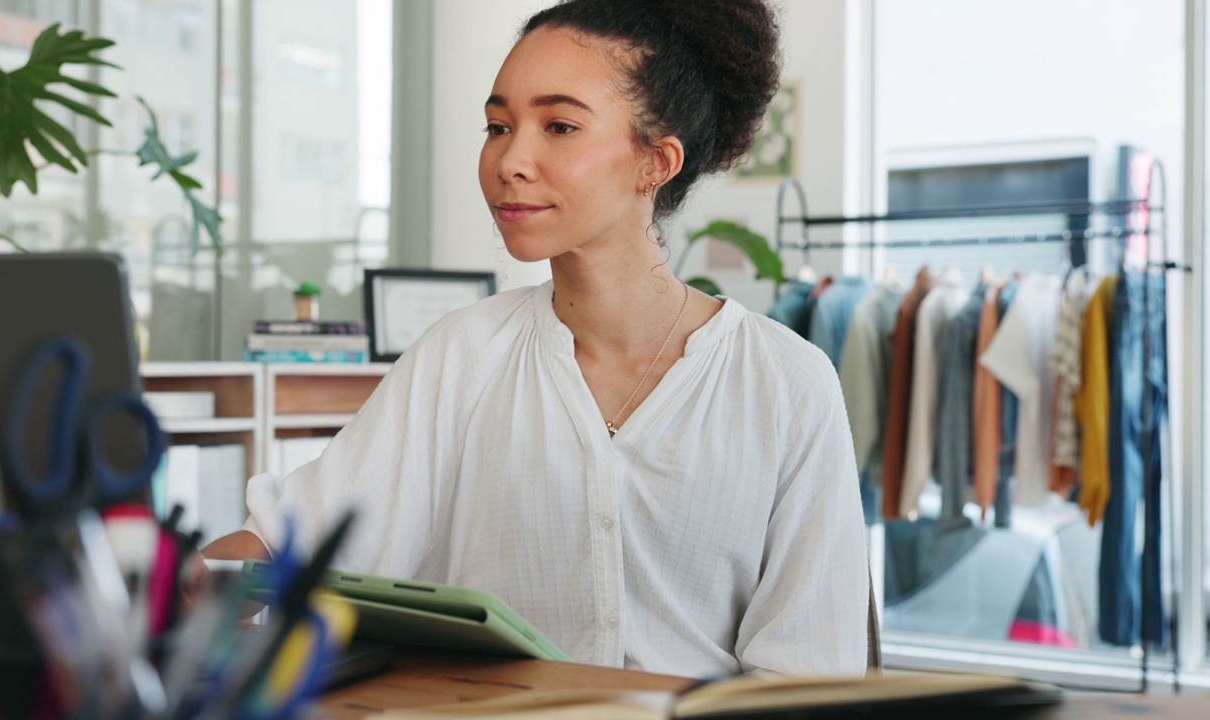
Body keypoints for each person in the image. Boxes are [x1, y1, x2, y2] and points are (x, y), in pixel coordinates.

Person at [202, 0, 869, 678]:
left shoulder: (787, 384)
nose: (510, 160)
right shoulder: (460, 356)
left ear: (656, 162)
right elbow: (289, 540)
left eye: (559, 126)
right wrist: (162, 585)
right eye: (497, 126)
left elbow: (808, 671)